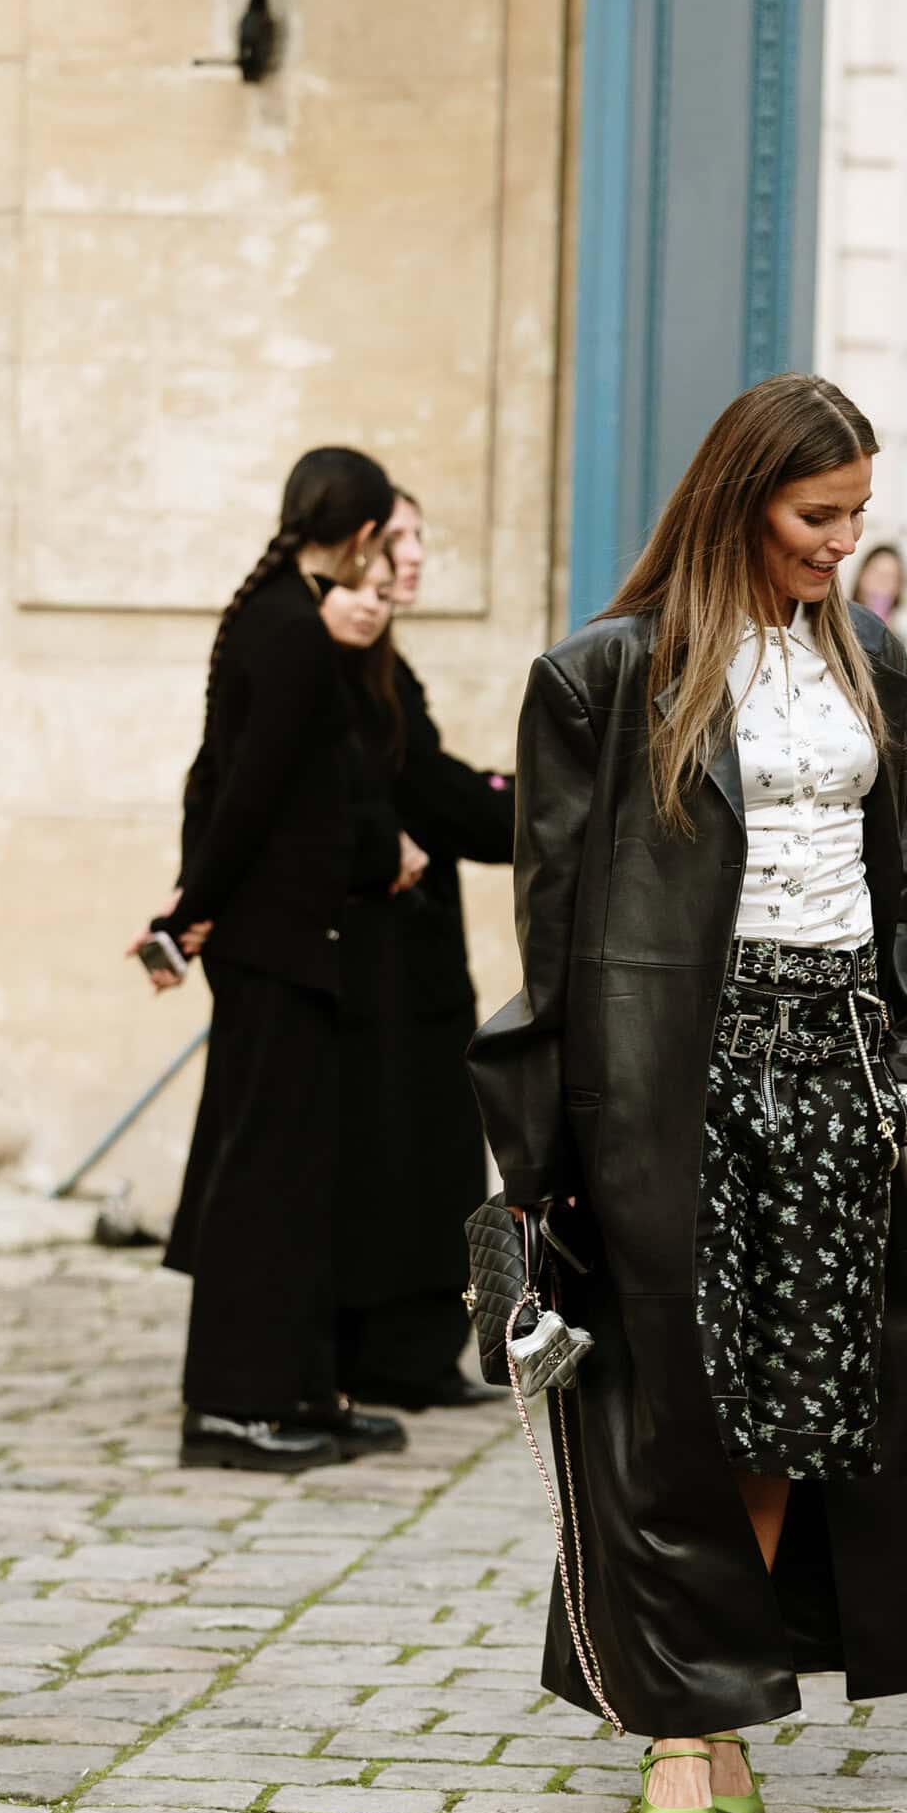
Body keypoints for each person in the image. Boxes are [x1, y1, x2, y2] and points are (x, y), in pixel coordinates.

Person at [469, 373, 907, 1813]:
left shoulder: (867, 653)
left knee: (793, 1400)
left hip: (836, 1059)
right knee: (673, 1391)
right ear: (742, 499)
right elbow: (552, 928)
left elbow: (897, 885)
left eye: (859, 514)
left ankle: (712, 1692)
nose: (844, 540)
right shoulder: (604, 675)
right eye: (821, 514)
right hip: (676, 1059)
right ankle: (684, 1727)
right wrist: (540, 1142)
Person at [134, 446, 408, 1473]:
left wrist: (193, 904)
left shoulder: (273, 615)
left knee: (299, 1177)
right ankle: (229, 1408)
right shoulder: (290, 631)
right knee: (263, 1182)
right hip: (277, 946)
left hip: (284, 942)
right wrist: (190, 909)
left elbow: (219, 782)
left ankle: (298, 1387)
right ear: (365, 535)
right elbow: (240, 794)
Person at [330, 494, 516, 1408]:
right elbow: (426, 787)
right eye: (396, 538)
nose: (413, 556)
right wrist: (532, 805)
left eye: (417, 537)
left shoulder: (379, 662)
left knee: (430, 1149)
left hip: (412, 948)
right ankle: (395, 1355)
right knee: (405, 1151)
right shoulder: (346, 661)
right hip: (379, 955)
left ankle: (411, 1350)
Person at [849, 542, 907, 628]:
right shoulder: (836, 625)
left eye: (890, 576)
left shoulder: (899, 638)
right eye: (876, 573)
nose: (882, 582)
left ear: (898, 588)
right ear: (861, 576)